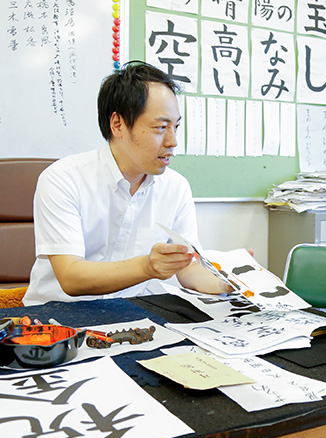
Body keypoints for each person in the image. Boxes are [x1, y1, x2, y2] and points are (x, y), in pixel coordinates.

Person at [23, 61, 230, 306]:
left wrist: (225, 283)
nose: (173, 141)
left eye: (176, 127)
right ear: (118, 124)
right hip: (55, 318)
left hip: (131, 315)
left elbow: (188, 267)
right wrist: (147, 266)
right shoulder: (63, 178)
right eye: (161, 127)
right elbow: (71, 277)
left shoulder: (177, 187)